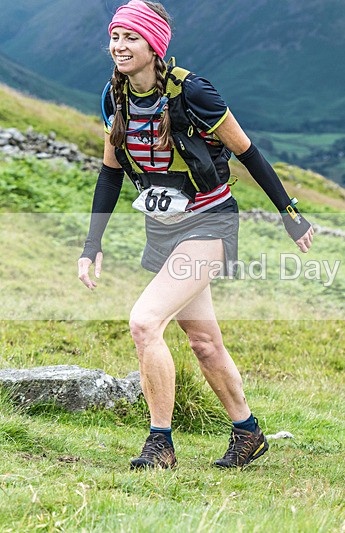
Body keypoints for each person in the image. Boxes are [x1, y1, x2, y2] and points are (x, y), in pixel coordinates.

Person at [78, 0, 314, 470]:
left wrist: (289, 212)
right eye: (115, 37)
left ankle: (160, 443)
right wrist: (92, 244)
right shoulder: (114, 98)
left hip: (210, 223)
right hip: (163, 228)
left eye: (131, 38)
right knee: (204, 342)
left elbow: (247, 152)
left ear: (154, 45)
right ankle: (248, 432)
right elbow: (109, 175)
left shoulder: (193, 93)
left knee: (145, 322)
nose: (119, 46)